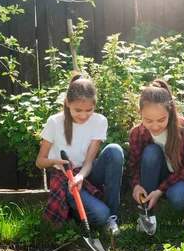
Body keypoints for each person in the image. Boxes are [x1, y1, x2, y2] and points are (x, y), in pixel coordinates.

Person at [37, 74, 124, 235]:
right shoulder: (54, 122)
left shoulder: (99, 121)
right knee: (100, 215)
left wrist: (81, 177)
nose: (83, 115)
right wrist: (56, 161)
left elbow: (89, 162)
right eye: (78, 110)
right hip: (66, 180)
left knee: (114, 150)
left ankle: (112, 218)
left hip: (86, 174)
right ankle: (75, 210)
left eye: (89, 110)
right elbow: (40, 161)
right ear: (68, 102)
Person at [128, 79, 184, 227]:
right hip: (157, 177)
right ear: (140, 113)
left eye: (161, 120)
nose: (155, 126)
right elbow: (135, 167)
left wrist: (160, 190)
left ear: (170, 112)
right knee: (151, 152)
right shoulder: (137, 133)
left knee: (178, 197)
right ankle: (146, 213)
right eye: (148, 120)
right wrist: (136, 185)